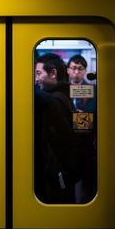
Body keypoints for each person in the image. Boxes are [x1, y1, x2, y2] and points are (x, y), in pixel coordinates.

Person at [34, 53, 79, 204]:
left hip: (56, 177)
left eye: (39, 73)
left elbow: (58, 141)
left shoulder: (53, 101)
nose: (36, 79)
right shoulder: (64, 96)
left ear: (53, 73)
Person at [67, 54, 97, 202]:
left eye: (80, 69)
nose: (76, 72)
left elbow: (93, 113)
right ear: (67, 70)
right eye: (73, 68)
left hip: (85, 143)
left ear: (85, 71)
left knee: (85, 185)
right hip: (66, 143)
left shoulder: (92, 90)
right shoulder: (62, 89)